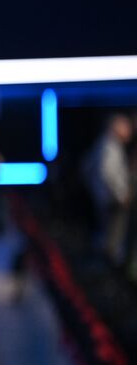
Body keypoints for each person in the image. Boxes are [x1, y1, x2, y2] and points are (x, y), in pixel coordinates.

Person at [82, 113, 132, 267]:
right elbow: (107, 172)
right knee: (111, 242)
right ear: (116, 127)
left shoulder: (108, 144)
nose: (129, 131)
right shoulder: (109, 146)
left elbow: (86, 168)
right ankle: (109, 274)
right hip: (111, 200)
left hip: (106, 198)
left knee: (110, 239)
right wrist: (120, 194)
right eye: (126, 127)